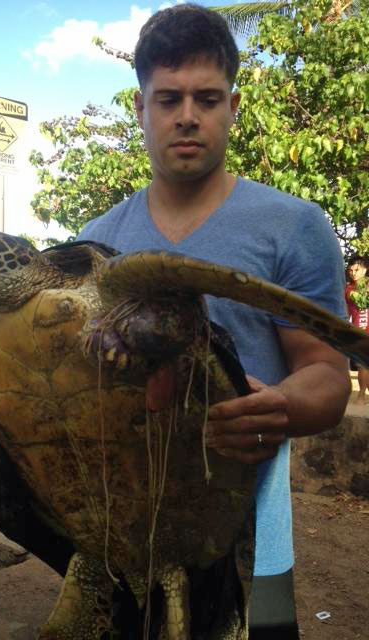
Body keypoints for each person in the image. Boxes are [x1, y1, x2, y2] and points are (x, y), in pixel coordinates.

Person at [77, 4, 351, 638]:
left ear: (231, 105)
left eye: (206, 97)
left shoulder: (293, 226)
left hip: (249, 541)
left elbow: (326, 375)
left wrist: (281, 405)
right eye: (168, 98)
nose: (187, 116)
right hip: (118, 537)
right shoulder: (95, 242)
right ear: (141, 108)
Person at [345, 256, 369, 404]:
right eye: (351, 270)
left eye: (357, 269)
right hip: (358, 331)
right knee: (362, 364)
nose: (353, 273)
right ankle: (361, 395)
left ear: (365, 269)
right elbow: (348, 311)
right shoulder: (348, 289)